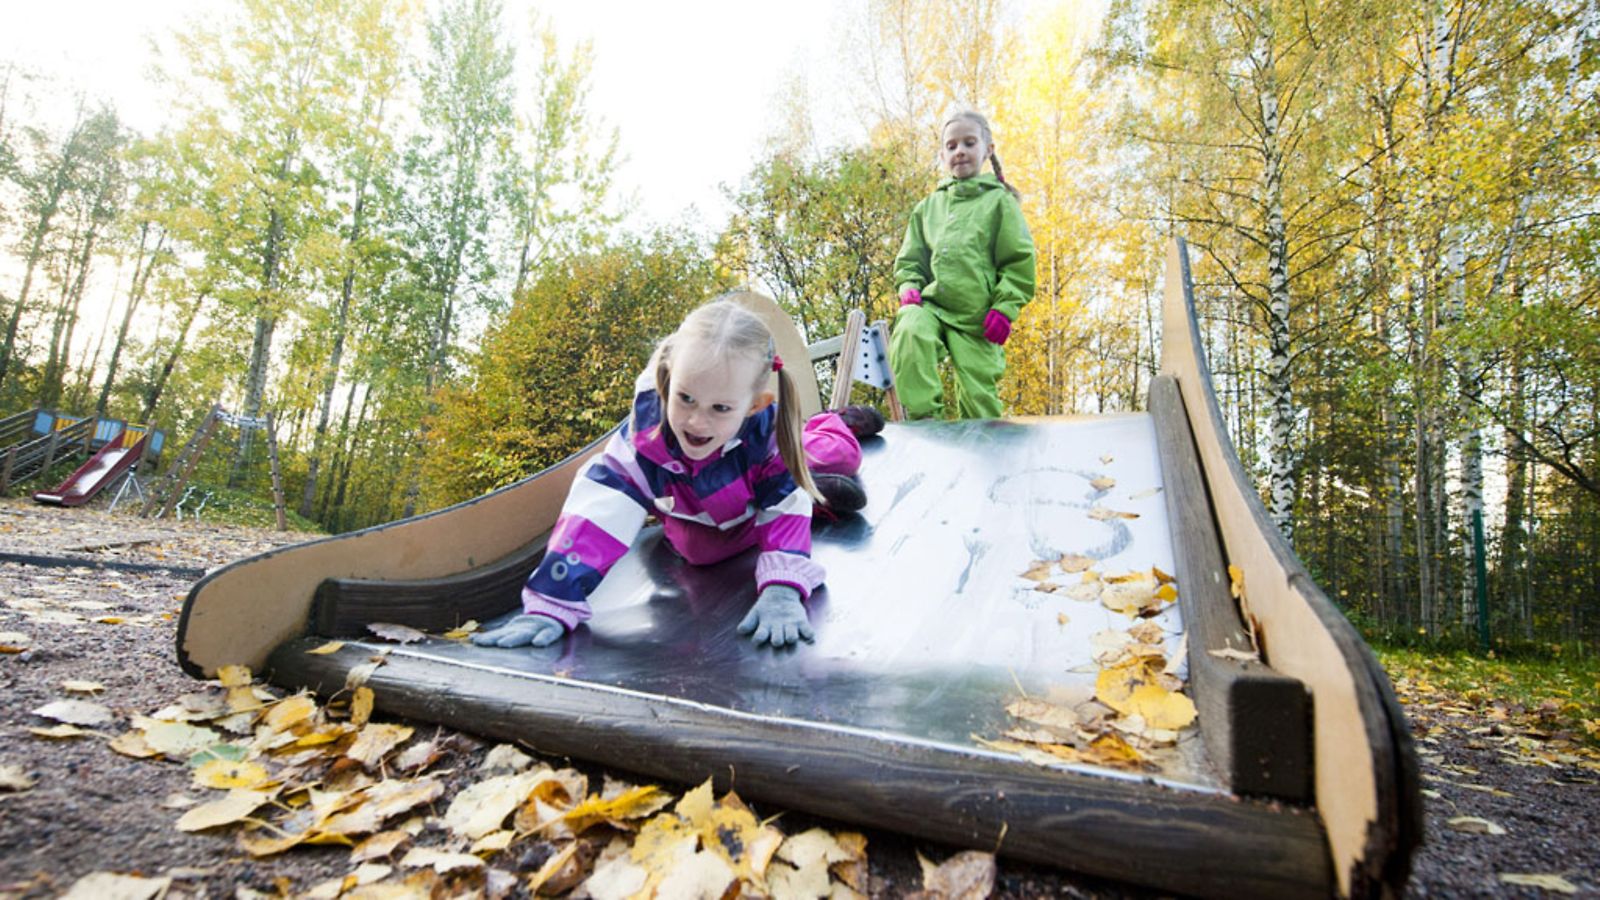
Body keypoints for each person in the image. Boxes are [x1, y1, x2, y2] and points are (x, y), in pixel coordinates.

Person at [472, 298, 881, 652]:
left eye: (720, 408)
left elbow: (782, 507)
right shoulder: (645, 439)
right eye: (685, 398)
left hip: (762, 470)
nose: (697, 422)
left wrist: (782, 588)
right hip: (703, 505)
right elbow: (598, 512)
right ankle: (814, 494)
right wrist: (552, 603)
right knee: (700, 553)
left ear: (753, 406)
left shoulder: (764, 435)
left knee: (837, 456)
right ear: (670, 379)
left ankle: (832, 427)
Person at [889, 111, 1036, 420]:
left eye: (969, 143)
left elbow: (1017, 261)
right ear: (942, 155)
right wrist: (910, 287)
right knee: (910, 327)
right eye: (952, 146)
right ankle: (925, 421)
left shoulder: (999, 203)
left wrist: (1005, 308)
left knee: (978, 397)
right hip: (934, 307)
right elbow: (911, 259)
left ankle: (986, 451)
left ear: (988, 150)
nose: (960, 152)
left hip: (977, 318)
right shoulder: (929, 207)